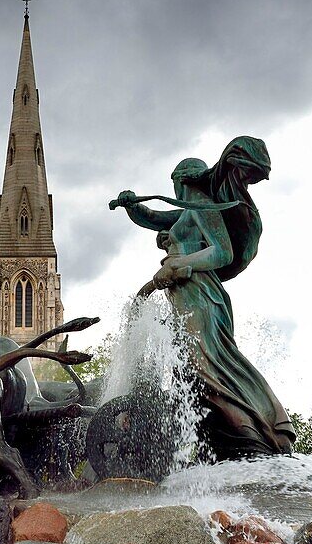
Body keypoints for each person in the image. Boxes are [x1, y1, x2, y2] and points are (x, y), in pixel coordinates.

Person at [112, 136, 295, 458]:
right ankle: (217, 441)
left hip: (201, 293)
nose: (177, 193)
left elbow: (222, 253)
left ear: (184, 180)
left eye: (176, 184)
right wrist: (132, 207)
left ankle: (253, 432)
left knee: (204, 363)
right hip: (185, 291)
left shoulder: (203, 204)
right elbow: (155, 219)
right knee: (191, 366)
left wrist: (181, 264)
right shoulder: (189, 211)